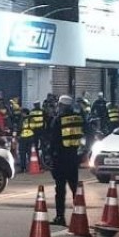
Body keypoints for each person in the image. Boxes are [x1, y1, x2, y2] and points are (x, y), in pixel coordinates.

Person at [48, 95, 84, 225]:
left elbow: (53, 140)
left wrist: (50, 156)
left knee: (60, 190)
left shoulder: (58, 120)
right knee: (75, 188)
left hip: (60, 159)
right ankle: (80, 215)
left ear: (62, 105)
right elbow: (88, 134)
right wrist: (82, 152)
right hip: (73, 158)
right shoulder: (78, 118)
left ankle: (60, 217)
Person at [19, 101, 45, 173]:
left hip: (24, 137)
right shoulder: (31, 119)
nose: (21, 114)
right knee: (30, 153)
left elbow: (20, 128)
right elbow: (33, 127)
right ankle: (29, 167)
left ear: (24, 113)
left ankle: (23, 168)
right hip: (31, 137)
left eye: (22, 113)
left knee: (23, 153)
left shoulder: (23, 119)